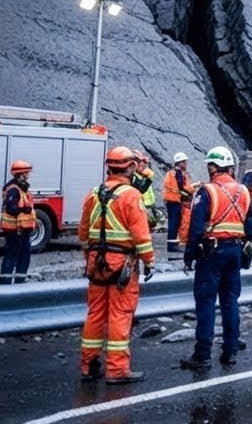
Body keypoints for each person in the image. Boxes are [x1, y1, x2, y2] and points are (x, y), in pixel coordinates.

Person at [78, 146, 154, 384]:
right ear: (130, 167)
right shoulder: (131, 196)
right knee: (120, 315)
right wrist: (149, 261)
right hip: (121, 266)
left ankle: (89, 366)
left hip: (96, 264)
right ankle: (117, 370)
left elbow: (83, 233)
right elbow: (141, 235)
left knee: (95, 314)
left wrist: (88, 258)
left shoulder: (93, 194)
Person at [181, 146, 252, 370]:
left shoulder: (207, 191)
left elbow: (194, 228)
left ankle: (202, 355)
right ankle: (230, 352)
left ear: (212, 167)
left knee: (206, 302)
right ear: (230, 167)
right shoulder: (244, 191)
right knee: (230, 302)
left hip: (211, 253)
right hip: (235, 252)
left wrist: (189, 256)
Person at [2, 160, 36, 285]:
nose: (28, 175)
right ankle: (5, 283)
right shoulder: (14, 189)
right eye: (26, 173)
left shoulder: (21, 187)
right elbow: (11, 208)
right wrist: (24, 209)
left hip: (22, 230)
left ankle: (19, 281)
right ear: (20, 174)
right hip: (15, 230)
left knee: (23, 255)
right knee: (12, 255)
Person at [163, 152, 193, 253]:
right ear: (179, 163)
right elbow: (181, 188)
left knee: (174, 223)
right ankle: (172, 246)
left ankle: (172, 245)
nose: (186, 164)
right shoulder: (177, 172)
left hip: (173, 200)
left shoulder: (173, 173)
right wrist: (191, 189)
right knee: (174, 224)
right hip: (174, 201)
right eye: (184, 162)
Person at [131, 151, 161, 231]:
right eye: (141, 162)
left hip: (149, 205)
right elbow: (141, 189)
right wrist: (148, 179)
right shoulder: (133, 177)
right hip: (142, 206)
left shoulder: (141, 175)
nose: (144, 165)